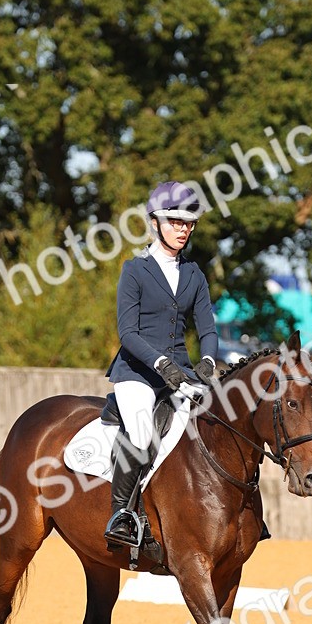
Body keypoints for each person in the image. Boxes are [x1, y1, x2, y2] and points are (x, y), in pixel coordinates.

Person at [104, 180, 218, 554]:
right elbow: (127, 332)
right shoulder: (135, 270)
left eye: (189, 223)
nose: (184, 229)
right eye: (175, 222)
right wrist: (160, 362)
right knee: (140, 435)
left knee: (219, 424)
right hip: (137, 372)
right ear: (155, 222)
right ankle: (121, 515)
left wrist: (207, 361)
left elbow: (208, 328)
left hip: (181, 374)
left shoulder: (194, 274)